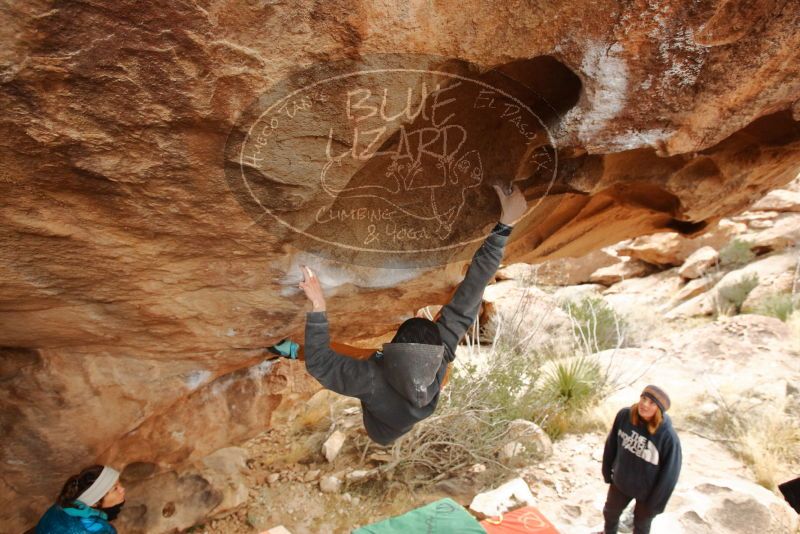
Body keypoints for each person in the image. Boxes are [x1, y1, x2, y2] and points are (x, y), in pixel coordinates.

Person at [277, 184, 526, 445]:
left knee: (355, 357)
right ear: (436, 348)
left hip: (381, 429)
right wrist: (504, 226)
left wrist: (318, 304)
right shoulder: (442, 355)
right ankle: (294, 350)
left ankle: (292, 350)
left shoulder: (373, 380)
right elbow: (474, 287)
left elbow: (321, 363)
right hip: (413, 401)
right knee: (366, 360)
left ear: (394, 347)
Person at [599, 385, 682, 534]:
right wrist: (607, 471)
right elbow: (611, 444)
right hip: (621, 482)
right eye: (643, 399)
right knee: (610, 513)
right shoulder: (625, 416)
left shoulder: (668, 437)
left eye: (652, 402)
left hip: (647, 493)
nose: (644, 404)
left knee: (641, 526)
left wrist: (655, 503)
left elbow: (670, 475)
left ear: (659, 409)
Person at [36, 465, 125, 534]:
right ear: (95, 502)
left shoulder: (63, 504)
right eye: (115, 489)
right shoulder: (99, 529)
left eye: (119, 483)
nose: (122, 489)